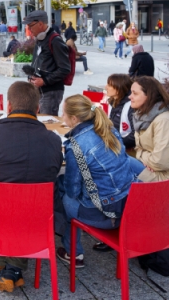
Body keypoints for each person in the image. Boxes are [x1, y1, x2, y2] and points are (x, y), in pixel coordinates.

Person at [0, 82, 63, 293]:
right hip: (37, 218)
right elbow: (52, 173)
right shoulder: (53, 140)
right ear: (37, 109)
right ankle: (12, 269)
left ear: (8, 106)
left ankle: (10, 268)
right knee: (24, 201)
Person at [56, 94, 137, 267]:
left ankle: (74, 253)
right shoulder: (109, 129)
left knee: (62, 195)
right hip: (129, 207)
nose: (62, 117)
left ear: (74, 118)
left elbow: (73, 191)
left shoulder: (75, 146)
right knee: (64, 183)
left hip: (105, 214)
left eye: (64, 113)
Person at [128, 77, 169, 198]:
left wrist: (142, 156)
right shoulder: (143, 117)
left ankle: (116, 206)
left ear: (149, 96)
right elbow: (139, 149)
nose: (130, 96)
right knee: (116, 164)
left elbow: (160, 163)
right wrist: (146, 159)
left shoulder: (164, 121)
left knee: (120, 164)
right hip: (158, 172)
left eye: (134, 93)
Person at [22, 10, 71, 115]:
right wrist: (31, 76)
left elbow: (65, 69)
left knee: (47, 122)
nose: (29, 30)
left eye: (30, 26)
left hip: (51, 91)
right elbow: (38, 62)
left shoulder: (55, 40)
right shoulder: (40, 39)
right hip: (40, 90)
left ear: (40, 24)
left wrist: (45, 81)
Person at [105, 74, 135, 151]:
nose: (106, 87)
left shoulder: (131, 106)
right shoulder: (111, 101)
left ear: (118, 88)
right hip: (113, 144)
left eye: (109, 85)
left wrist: (116, 143)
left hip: (125, 148)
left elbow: (135, 135)